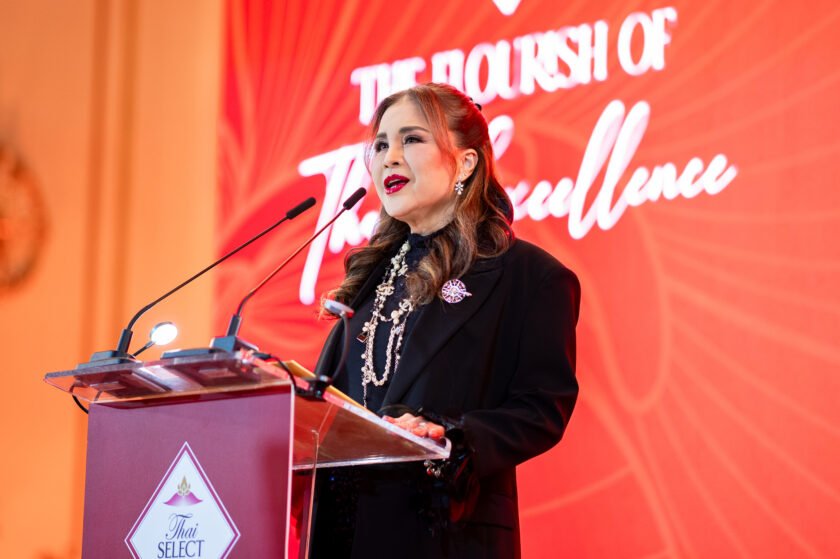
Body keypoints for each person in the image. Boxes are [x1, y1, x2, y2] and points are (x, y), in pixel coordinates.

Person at [310, 83, 580, 559]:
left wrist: (453, 437)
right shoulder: (367, 279)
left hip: (445, 530)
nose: (389, 158)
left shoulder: (530, 277)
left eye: (412, 139)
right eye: (381, 145)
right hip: (343, 537)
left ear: (467, 162)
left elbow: (542, 409)